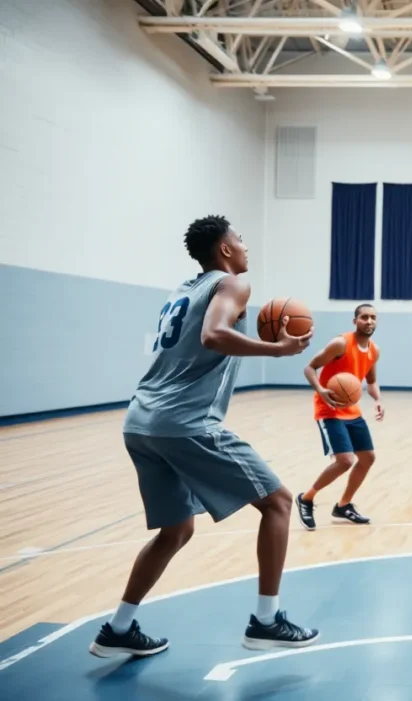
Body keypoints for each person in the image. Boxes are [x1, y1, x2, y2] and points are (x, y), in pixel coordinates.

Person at [90, 215, 319, 659]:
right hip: (184, 423)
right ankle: (266, 621)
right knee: (279, 502)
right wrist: (278, 349)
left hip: (141, 422)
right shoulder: (231, 285)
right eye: (240, 239)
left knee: (175, 531)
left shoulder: (183, 290)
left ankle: (118, 629)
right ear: (225, 250)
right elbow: (214, 335)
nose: (246, 245)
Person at [295, 303, 383, 530]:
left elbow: (371, 381)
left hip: (352, 411)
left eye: (373, 317)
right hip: (329, 409)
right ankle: (306, 498)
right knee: (345, 461)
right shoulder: (340, 344)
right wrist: (321, 391)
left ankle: (343, 506)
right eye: (364, 317)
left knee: (368, 458)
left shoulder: (374, 350)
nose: (369, 321)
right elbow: (309, 368)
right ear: (355, 321)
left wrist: (377, 401)